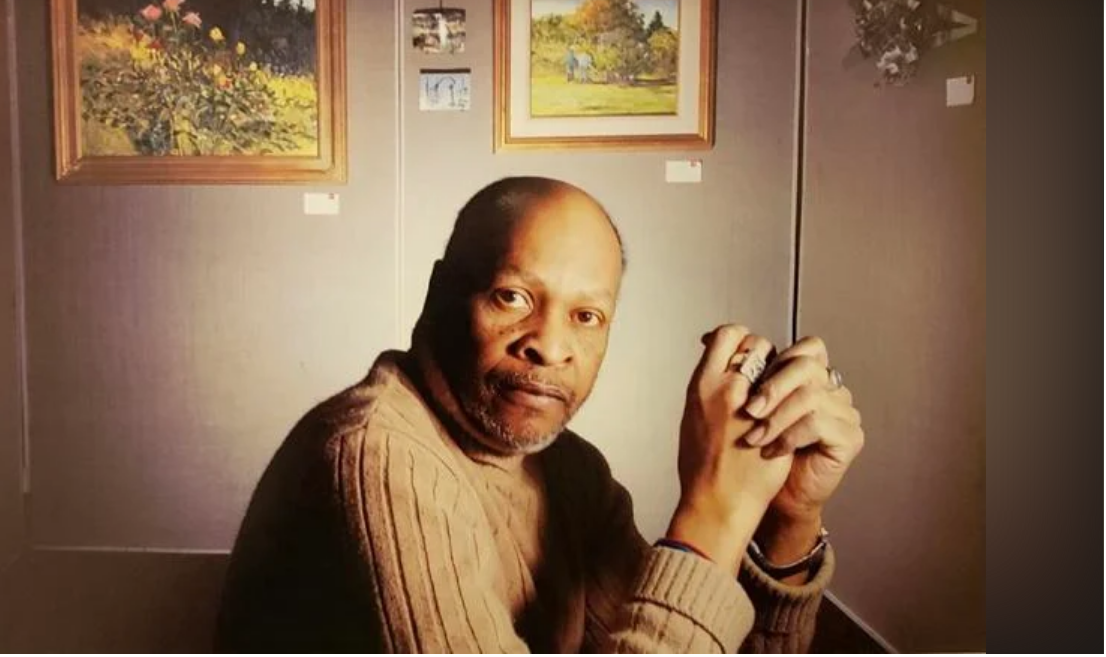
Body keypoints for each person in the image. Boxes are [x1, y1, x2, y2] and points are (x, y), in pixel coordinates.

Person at [215, 177, 865, 653]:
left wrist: (787, 519)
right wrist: (711, 512)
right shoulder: (374, 451)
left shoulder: (570, 471)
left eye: (586, 316)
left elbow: (693, 636)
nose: (550, 345)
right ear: (441, 293)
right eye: (512, 296)